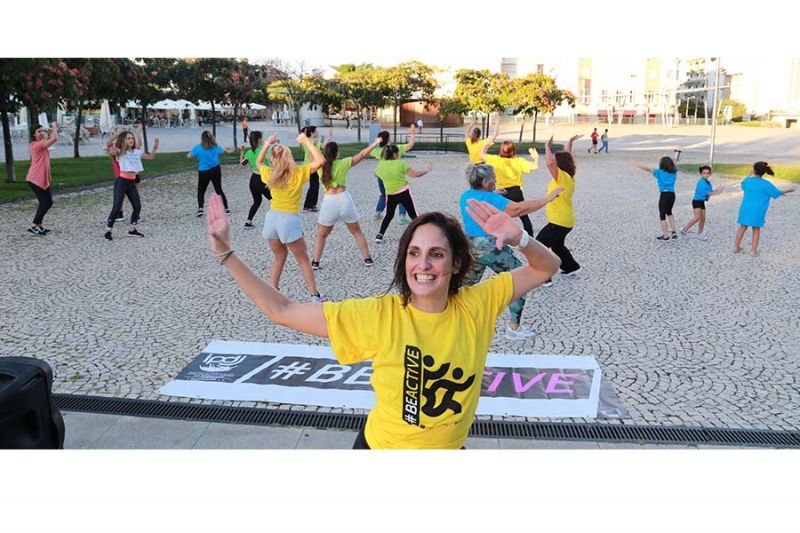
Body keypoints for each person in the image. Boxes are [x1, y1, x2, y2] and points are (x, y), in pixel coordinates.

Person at [205, 192, 561, 449]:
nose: (422, 265)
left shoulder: (479, 303)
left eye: (436, 254)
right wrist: (226, 253)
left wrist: (522, 239)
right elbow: (282, 311)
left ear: (455, 264)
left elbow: (547, 267)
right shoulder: (379, 314)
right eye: (414, 253)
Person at [460, 163, 563, 340]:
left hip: (470, 246)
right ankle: (514, 328)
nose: (496, 180)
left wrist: (494, 193)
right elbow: (519, 209)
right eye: (493, 178)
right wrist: (548, 198)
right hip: (492, 248)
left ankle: (456, 320)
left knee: (466, 286)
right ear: (485, 182)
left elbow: (485, 199)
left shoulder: (466, 196)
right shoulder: (493, 200)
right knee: (519, 282)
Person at [255, 132, 325, 301]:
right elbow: (320, 161)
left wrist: (268, 143)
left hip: (272, 219)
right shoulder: (298, 173)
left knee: (279, 257)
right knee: (303, 260)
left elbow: (258, 161)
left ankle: (273, 291)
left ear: (273, 159)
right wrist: (306, 142)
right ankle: (314, 296)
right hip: (289, 220)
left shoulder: (269, 174)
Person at [311, 138, 382, 270]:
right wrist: (375, 143)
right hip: (344, 199)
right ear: (337, 152)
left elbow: (313, 154)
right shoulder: (344, 162)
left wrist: (309, 143)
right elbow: (362, 154)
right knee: (356, 232)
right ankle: (367, 259)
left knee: (321, 234)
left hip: (329, 201)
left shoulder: (320, 165)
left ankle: (315, 262)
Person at [479, 120, 541, 237]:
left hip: (501, 192)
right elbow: (535, 166)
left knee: (496, 216)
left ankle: (497, 237)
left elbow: (481, 153)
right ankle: (530, 240)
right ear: (513, 151)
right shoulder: (518, 161)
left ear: (501, 150)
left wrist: (487, 143)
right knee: (524, 217)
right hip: (516, 192)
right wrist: (536, 157)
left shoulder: (495, 160)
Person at [537, 135, 582, 286]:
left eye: (557, 161)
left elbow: (549, 164)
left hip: (559, 221)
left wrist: (546, 147)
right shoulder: (569, 175)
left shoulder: (561, 177)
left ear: (560, 164)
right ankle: (571, 266)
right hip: (565, 220)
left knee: (539, 244)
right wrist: (569, 142)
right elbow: (567, 157)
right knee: (557, 245)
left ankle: (545, 276)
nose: (554, 163)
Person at [103, 125, 159, 240]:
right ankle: (108, 230)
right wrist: (110, 150)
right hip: (122, 182)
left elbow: (151, 157)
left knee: (137, 206)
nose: (131, 140)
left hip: (131, 183)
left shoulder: (136, 152)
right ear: (123, 140)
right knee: (117, 206)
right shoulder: (120, 152)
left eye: (132, 138)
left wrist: (155, 148)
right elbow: (110, 151)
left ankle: (132, 229)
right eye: (128, 138)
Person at [733, 161, 796, 256]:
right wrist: (789, 190)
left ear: (754, 170)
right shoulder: (766, 184)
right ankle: (753, 251)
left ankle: (736, 247)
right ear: (764, 172)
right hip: (758, 210)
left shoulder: (747, 181)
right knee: (756, 228)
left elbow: (743, 183)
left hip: (746, 208)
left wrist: (749, 173)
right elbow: (777, 193)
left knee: (742, 227)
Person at [374, 144, 433, 243]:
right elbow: (414, 175)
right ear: (394, 154)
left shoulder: (380, 166)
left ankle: (380, 235)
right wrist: (427, 170)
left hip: (391, 194)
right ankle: (423, 235)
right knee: (413, 214)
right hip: (403, 193)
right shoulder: (401, 163)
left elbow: (375, 174)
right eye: (397, 153)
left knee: (389, 215)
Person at [372, 124, 415, 223]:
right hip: (395, 175)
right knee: (402, 194)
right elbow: (410, 145)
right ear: (388, 139)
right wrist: (412, 133)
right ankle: (402, 217)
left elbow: (369, 151)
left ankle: (378, 213)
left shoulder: (378, 151)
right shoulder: (396, 148)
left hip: (382, 175)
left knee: (383, 194)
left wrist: (375, 142)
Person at [629, 156, 680, 240]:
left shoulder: (659, 172)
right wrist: (663, 158)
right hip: (672, 195)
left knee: (662, 215)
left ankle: (665, 235)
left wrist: (636, 164)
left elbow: (647, 168)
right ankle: (674, 232)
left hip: (664, 195)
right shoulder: (674, 172)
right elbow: (675, 162)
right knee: (669, 212)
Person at [188, 131, 236, 217]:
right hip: (215, 170)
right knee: (218, 189)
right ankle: (226, 208)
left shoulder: (198, 148)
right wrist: (232, 149)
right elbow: (227, 151)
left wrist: (190, 154)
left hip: (203, 171)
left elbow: (189, 156)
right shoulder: (215, 147)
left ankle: (200, 208)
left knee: (201, 191)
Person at [25, 123, 58, 235]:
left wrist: (48, 133)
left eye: (41, 131)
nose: (41, 133)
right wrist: (54, 128)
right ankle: (34, 225)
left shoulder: (40, 144)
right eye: (38, 132)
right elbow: (54, 138)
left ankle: (39, 225)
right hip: (35, 178)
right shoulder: (36, 145)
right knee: (45, 202)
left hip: (40, 178)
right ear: (34, 135)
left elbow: (49, 140)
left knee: (47, 202)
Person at [680, 165, 725, 241]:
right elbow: (709, 193)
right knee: (697, 217)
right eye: (704, 173)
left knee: (703, 219)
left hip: (701, 202)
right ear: (701, 174)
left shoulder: (707, 182)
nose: (706, 174)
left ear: (710, 173)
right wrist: (718, 191)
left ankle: (699, 234)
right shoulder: (701, 183)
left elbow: (710, 192)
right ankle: (684, 230)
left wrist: (717, 190)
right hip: (697, 201)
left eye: (708, 173)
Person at [239, 131, 272, 229]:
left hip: (253, 180)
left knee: (257, 202)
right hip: (263, 179)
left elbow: (242, 164)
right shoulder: (263, 150)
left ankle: (248, 222)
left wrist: (242, 151)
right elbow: (272, 160)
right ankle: (276, 221)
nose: (263, 139)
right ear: (259, 139)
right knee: (275, 200)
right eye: (262, 138)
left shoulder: (249, 152)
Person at [301, 126, 328, 213]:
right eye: (316, 131)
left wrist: (330, 136)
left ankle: (312, 204)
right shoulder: (309, 141)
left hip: (315, 165)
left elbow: (322, 147)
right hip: (311, 166)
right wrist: (316, 163)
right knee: (313, 185)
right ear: (312, 133)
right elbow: (309, 154)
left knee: (315, 185)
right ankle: (308, 205)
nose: (318, 132)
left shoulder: (314, 141)